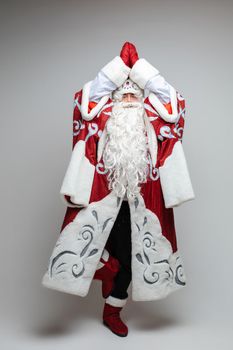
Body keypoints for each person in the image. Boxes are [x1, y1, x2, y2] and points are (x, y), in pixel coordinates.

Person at [42, 42, 195, 337]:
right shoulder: (99, 121)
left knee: (133, 257)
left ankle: (112, 308)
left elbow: (174, 100)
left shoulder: (153, 121)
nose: (127, 97)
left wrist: (141, 70)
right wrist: (116, 68)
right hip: (101, 198)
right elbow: (84, 101)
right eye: (121, 93)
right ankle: (110, 283)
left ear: (142, 99)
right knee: (100, 249)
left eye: (133, 93)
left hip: (143, 202)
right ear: (112, 98)